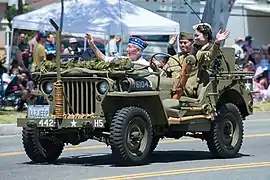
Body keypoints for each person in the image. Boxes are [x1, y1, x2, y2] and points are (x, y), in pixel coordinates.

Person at [170, 23, 230, 99]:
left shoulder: (211, 48)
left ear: (206, 36)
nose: (195, 38)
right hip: (187, 79)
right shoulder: (195, 48)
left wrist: (217, 42)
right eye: (195, 36)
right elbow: (184, 61)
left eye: (197, 35)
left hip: (200, 82)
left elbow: (210, 57)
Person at [85, 33, 152, 71]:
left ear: (138, 51)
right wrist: (92, 44)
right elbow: (104, 58)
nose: (127, 50)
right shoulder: (122, 59)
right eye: (127, 47)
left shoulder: (145, 65)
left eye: (130, 47)